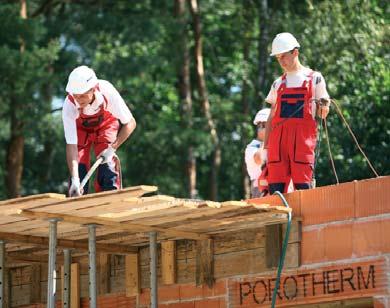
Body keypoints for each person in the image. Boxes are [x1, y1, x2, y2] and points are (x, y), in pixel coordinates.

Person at [262, 32, 330, 194]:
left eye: (284, 56)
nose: (281, 61)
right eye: (278, 58)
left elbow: (323, 113)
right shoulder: (278, 83)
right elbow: (272, 116)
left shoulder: (315, 78)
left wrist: (324, 106)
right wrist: (266, 148)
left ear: (295, 52)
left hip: (302, 144)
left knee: (304, 191)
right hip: (278, 146)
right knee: (276, 193)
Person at [62, 65, 136, 197]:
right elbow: (72, 145)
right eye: (76, 95)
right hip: (81, 130)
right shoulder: (69, 105)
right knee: (78, 168)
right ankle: (78, 201)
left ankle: (110, 199)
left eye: (83, 95)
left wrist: (112, 149)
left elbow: (130, 123)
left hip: (106, 125)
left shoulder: (107, 91)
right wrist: (75, 179)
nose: (78, 100)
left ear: (94, 89)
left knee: (108, 167)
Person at [245, 108, 270, 198]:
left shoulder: (274, 144)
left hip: (275, 187)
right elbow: (259, 160)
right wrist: (266, 139)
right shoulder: (252, 147)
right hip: (260, 189)